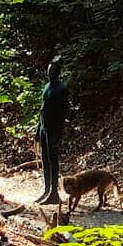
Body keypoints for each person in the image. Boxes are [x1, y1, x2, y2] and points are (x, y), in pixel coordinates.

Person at [34, 57, 69, 204]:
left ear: (59, 72)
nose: (51, 72)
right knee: (45, 159)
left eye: (54, 70)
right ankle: (47, 189)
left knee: (53, 160)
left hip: (53, 130)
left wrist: (58, 133)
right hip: (44, 127)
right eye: (50, 69)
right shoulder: (47, 86)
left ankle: (54, 192)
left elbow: (63, 112)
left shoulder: (61, 88)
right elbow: (43, 109)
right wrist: (38, 129)